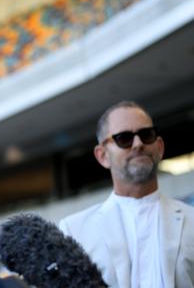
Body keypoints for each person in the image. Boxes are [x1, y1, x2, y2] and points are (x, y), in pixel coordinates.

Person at [59, 101, 194, 287]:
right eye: (124, 138)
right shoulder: (74, 231)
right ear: (102, 156)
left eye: (146, 135)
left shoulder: (191, 220)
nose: (138, 144)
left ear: (160, 147)